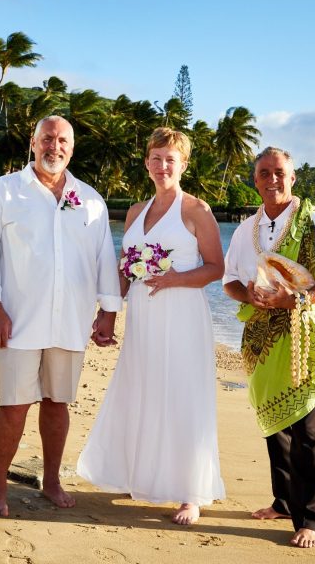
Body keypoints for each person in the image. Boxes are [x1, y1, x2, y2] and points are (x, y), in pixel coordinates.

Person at [0, 115, 122, 516]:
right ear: (33, 144)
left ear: (72, 148)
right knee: (13, 405)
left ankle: (51, 480)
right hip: (17, 319)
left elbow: (104, 257)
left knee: (58, 403)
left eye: (63, 141)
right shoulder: (3, 192)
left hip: (69, 319)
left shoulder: (90, 199)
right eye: (48, 139)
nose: (55, 146)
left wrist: (108, 312)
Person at [77, 127, 226, 525]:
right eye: (156, 159)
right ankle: (140, 474)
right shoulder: (134, 212)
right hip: (143, 315)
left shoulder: (197, 210)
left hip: (182, 314)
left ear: (183, 165)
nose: (163, 166)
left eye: (170, 160)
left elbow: (217, 268)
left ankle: (190, 493)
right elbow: (125, 270)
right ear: (147, 163)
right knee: (143, 387)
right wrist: (108, 311)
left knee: (182, 393)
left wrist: (176, 278)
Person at [223, 146, 315, 548]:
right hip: (263, 339)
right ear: (255, 179)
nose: (272, 179)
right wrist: (250, 296)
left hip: (305, 337)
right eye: (264, 172)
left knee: (309, 431)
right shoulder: (247, 229)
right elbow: (229, 280)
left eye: (279, 172)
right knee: (276, 424)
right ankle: (283, 502)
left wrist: (292, 300)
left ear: (292, 177)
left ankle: (310, 520)